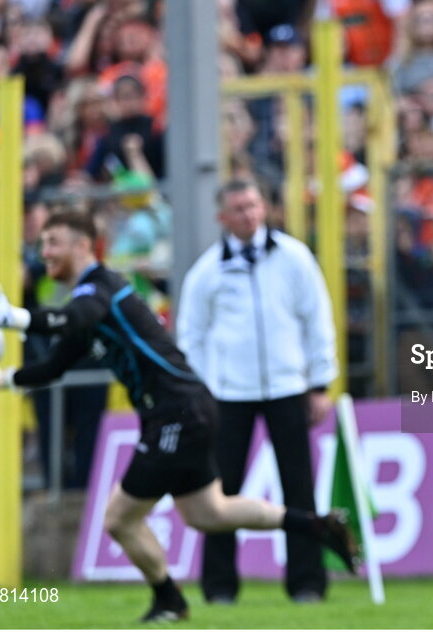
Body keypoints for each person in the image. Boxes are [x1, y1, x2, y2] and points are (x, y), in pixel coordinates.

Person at [0, 211, 358, 623]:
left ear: (83, 245)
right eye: (42, 245)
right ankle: (317, 526)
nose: (45, 253)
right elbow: (56, 365)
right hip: (182, 409)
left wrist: (12, 318)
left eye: (53, 242)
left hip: (176, 412)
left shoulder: (101, 289)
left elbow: (74, 320)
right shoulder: (88, 300)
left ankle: (169, 599)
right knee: (209, 513)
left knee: (118, 519)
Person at [176, 179, 338, 604]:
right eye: (239, 208)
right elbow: (191, 336)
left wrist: (319, 383)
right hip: (228, 396)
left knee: (299, 488)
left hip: (288, 387)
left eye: (253, 205)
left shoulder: (294, 258)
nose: (248, 214)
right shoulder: (207, 271)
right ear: (222, 218)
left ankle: (307, 583)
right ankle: (219, 588)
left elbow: (316, 319)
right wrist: (202, 391)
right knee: (220, 494)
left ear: (264, 207)